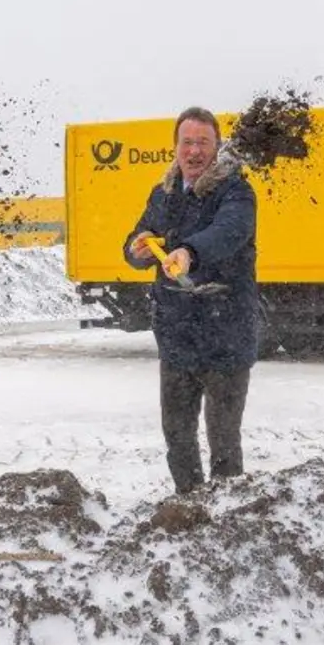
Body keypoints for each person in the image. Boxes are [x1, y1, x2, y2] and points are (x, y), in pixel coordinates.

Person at [122, 107, 259, 494]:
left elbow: (228, 233)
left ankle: (227, 513)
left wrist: (188, 253)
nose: (194, 151)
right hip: (177, 335)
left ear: (216, 147)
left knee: (224, 442)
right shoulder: (163, 193)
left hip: (226, 334)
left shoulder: (235, 191)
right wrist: (137, 251)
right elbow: (138, 236)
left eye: (203, 142)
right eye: (187, 142)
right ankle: (188, 504)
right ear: (175, 147)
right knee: (178, 435)